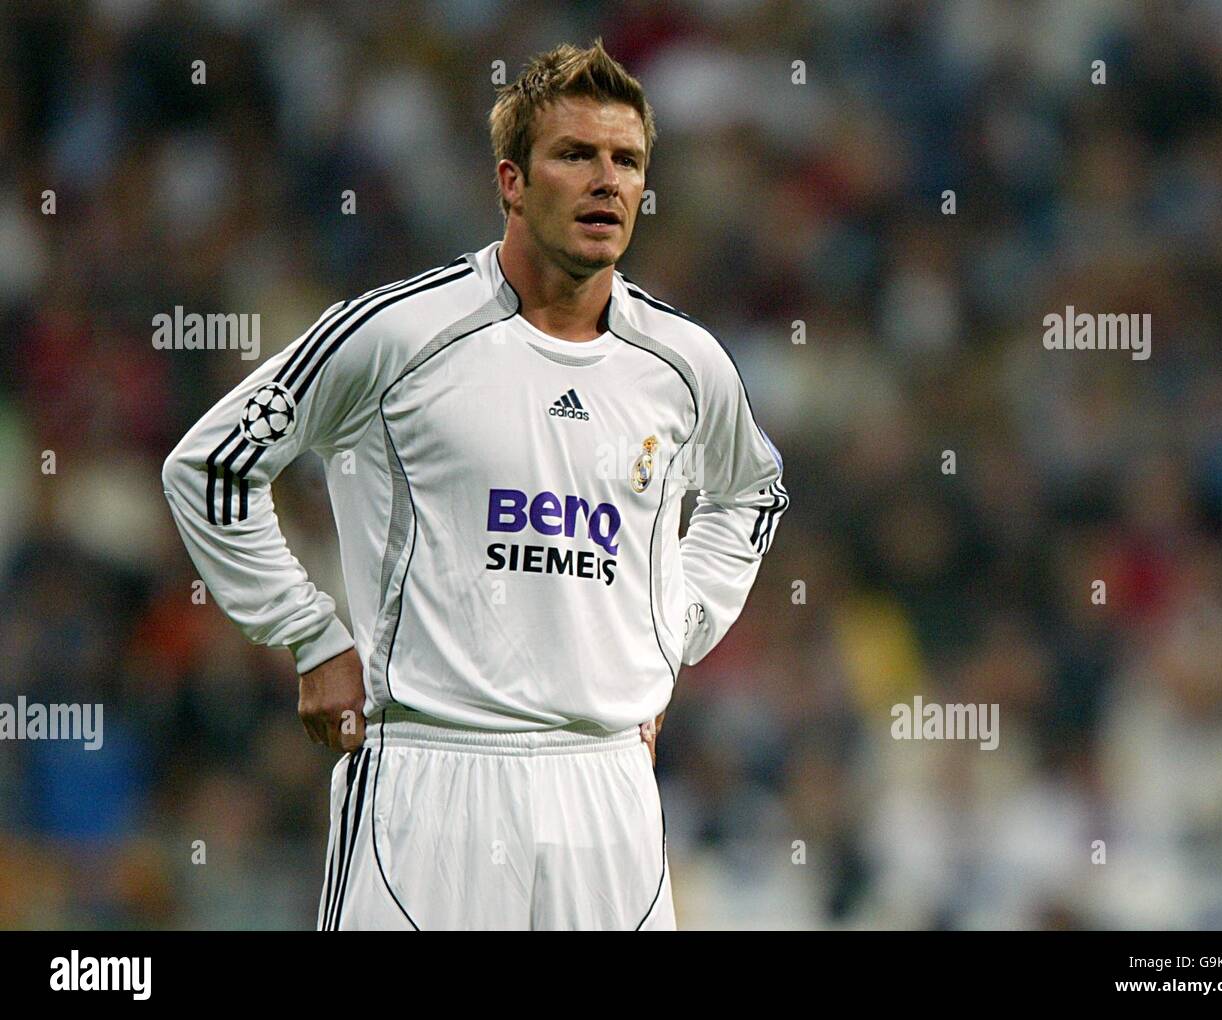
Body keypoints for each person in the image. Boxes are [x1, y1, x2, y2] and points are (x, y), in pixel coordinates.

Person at [161, 38, 788, 930]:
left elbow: (752, 492)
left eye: (628, 161)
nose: (607, 181)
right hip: (430, 772)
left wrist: (669, 634)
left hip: (607, 789)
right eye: (576, 155)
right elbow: (212, 465)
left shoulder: (685, 364)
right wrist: (308, 634)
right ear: (512, 183)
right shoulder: (396, 335)